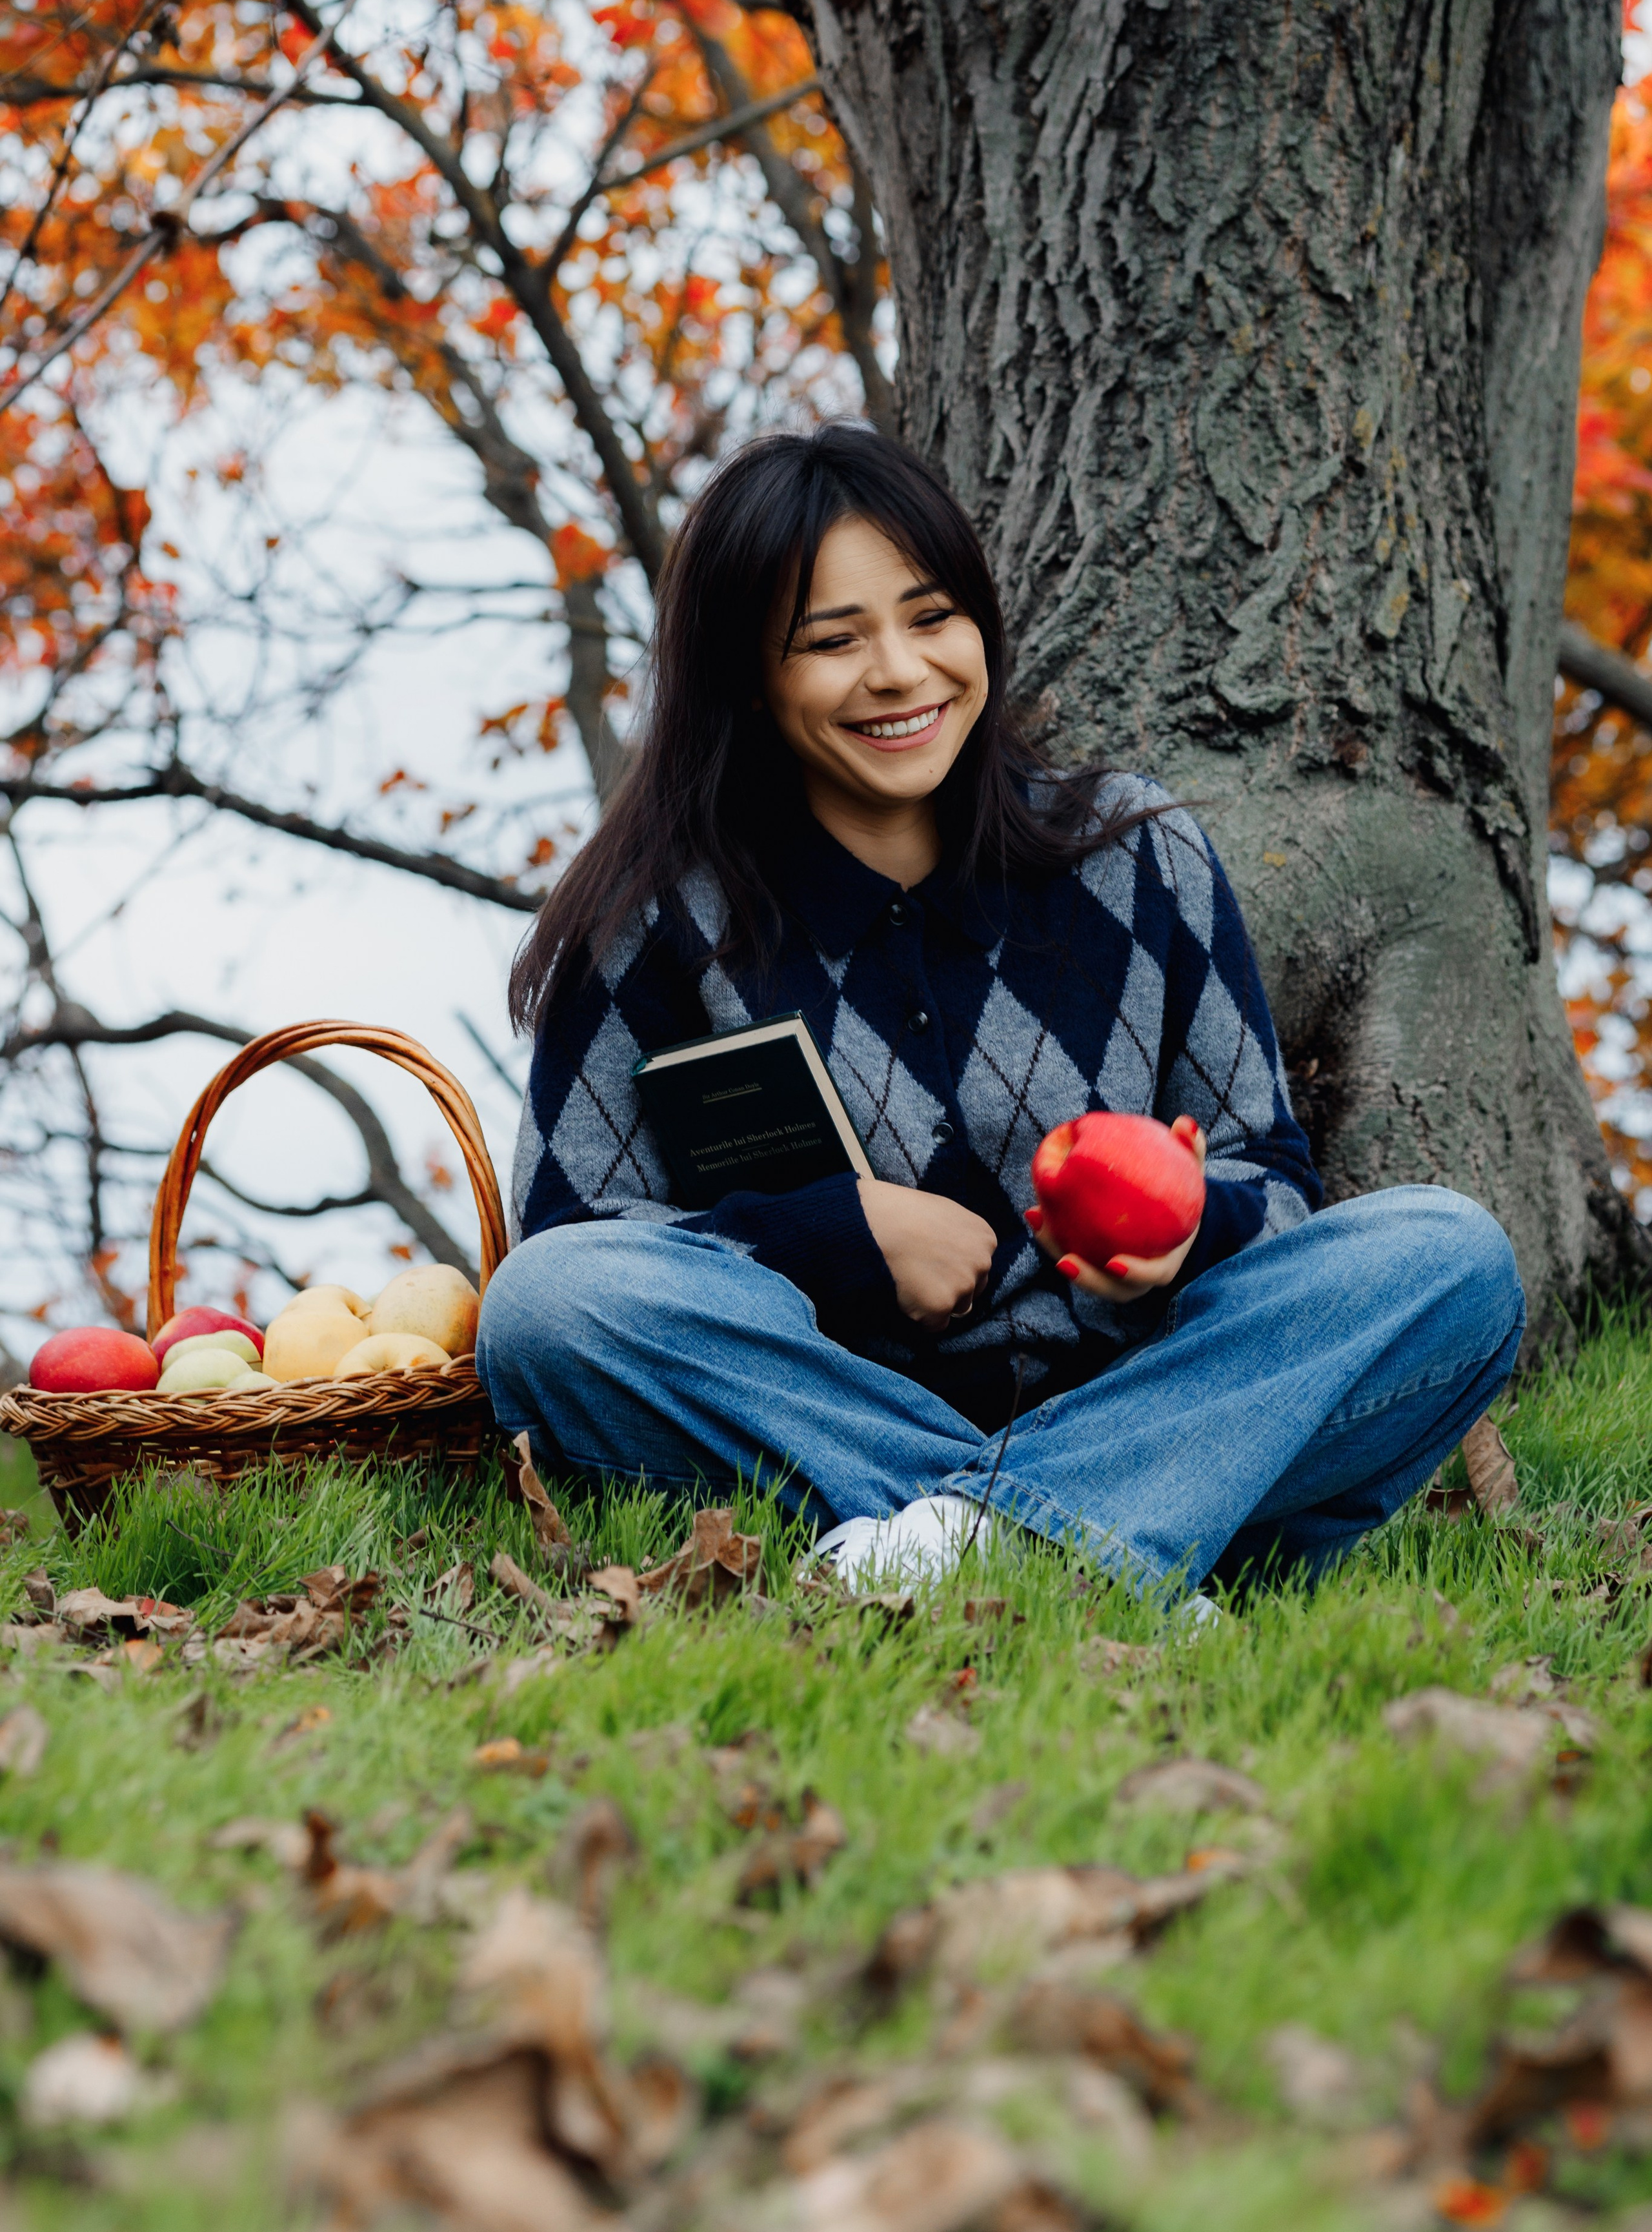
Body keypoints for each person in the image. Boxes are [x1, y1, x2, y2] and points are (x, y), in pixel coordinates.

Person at [477, 424, 1524, 1600]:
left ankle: (967, 1547)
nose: (900, 672)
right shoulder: (653, 920)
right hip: (835, 1421)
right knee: (544, 1308)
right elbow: (582, 1246)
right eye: (833, 641)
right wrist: (840, 1234)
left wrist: (1186, 1236)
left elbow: (1270, 1174)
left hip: (1160, 1392)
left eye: (932, 618)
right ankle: (1095, 1547)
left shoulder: (1139, 857)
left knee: (1452, 1259)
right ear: (750, 681)